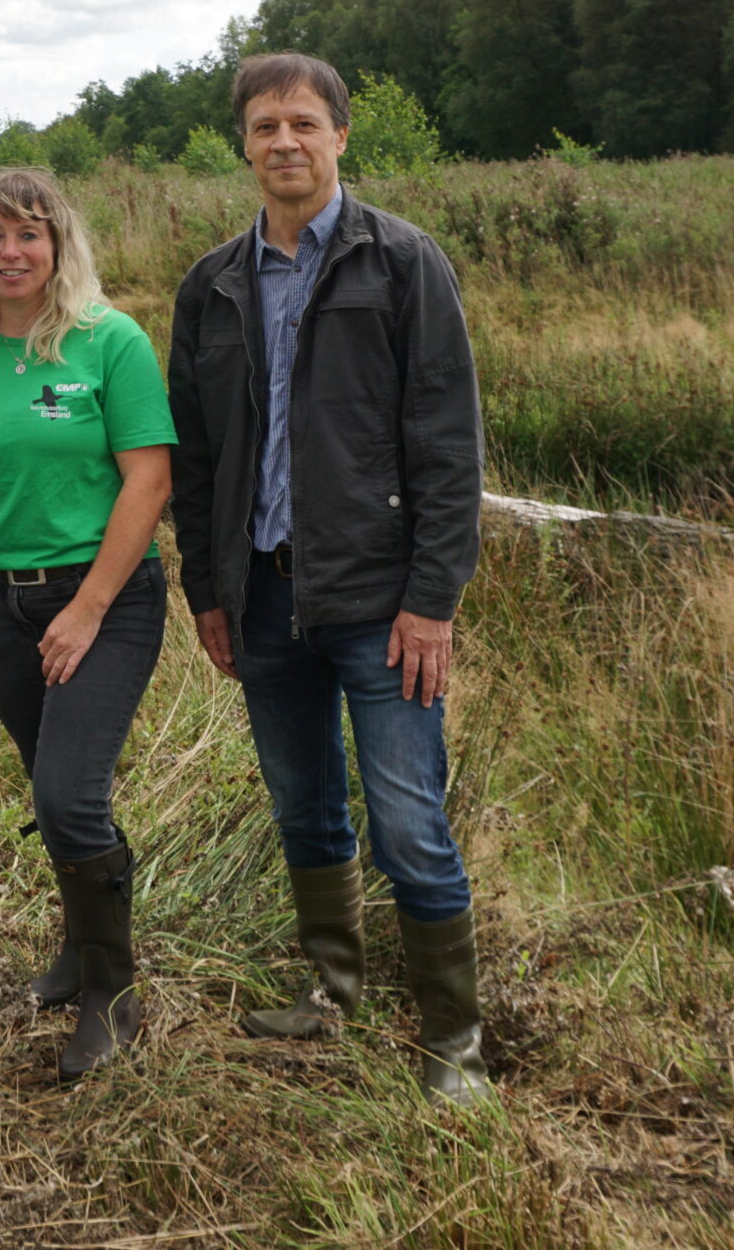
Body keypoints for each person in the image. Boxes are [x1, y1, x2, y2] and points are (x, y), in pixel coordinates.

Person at [165, 53, 493, 1102]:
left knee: (407, 821)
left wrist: (432, 601)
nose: (284, 143)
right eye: (264, 127)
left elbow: (447, 445)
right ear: (244, 145)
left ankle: (455, 1041)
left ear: (340, 137)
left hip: (379, 604)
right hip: (260, 596)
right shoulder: (212, 285)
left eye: (303, 124)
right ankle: (333, 988)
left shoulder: (402, 263)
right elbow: (197, 457)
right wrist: (205, 591)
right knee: (305, 808)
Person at [0, 168, 174, 1081]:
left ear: (59, 244)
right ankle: (77, 952)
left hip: (104, 598)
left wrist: (87, 607)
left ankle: (115, 990)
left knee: (69, 794)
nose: (11, 252)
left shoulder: (112, 345)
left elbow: (149, 478)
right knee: (55, 791)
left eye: (29, 233)